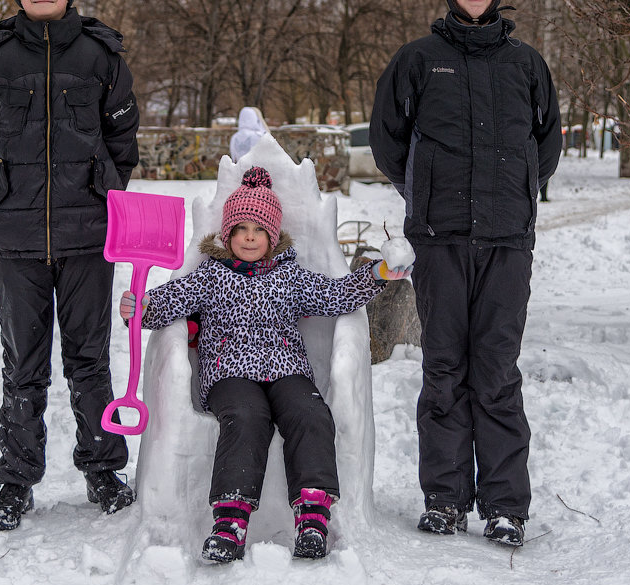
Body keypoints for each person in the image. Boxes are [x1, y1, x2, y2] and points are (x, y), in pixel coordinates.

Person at [369, 0, 562, 548]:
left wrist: (519, 193)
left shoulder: (526, 63)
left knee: (497, 370)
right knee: (444, 366)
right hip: (441, 238)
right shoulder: (418, 60)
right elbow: (387, 140)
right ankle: (445, 499)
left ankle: (505, 505)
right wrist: (424, 191)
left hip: (508, 239)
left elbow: (547, 142)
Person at [119, 167, 411, 562]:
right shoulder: (209, 276)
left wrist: (379, 273)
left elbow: (337, 295)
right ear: (228, 235)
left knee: (310, 413)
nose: (250, 237)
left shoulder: (291, 277)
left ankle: (312, 517)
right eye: (241, 229)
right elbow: (168, 302)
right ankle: (230, 522)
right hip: (230, 372)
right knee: (245, 417)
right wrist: (140, 306)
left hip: (287, 370)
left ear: (272, 236)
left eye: (259, 229)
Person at [0, 0, 141, 531]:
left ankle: (103, 469)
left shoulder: (99, 54)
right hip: (16, 236)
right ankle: (15, 480)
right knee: (23, 365)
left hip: (89, 234)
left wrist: (105, 187)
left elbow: (123, 136)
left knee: (89, 360)